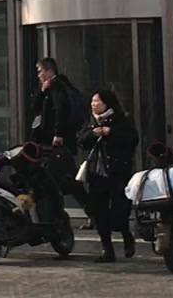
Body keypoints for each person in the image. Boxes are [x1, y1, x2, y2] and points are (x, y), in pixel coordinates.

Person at [78, 86, 140, 263]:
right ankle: (107, 248)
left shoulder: (120, 120)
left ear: (106, 103)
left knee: (119, 209)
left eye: (97, 101)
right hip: (97, 172)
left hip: (117, 170)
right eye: (92, 102)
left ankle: (126, 235)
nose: (93, 104)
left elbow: (132, 139)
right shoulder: (91, 120)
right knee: (99, 210)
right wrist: (92, 134)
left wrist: (111, 133)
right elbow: (81, 141)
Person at [31, 57, 92, 217]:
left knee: (59, 179)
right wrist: (42, 92)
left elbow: (61, 110)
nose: (39, 75)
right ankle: (91, 212)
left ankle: (54, 214)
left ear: (49, 71)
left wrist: (58, 133)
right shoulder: (51, 88)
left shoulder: (57, 86)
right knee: (65, 178)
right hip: (58, 141)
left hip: (57, 142)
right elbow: (35, 107)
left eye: (40, 71)